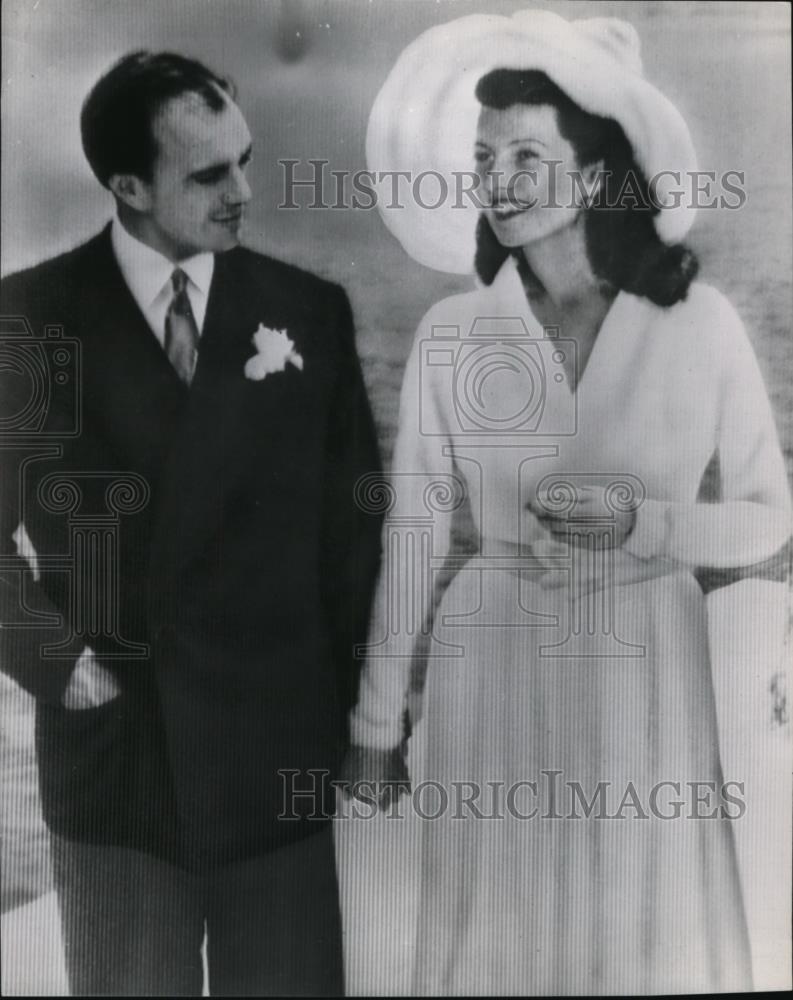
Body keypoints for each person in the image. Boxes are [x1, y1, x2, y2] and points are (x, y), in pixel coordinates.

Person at [343, 10, 792, 995]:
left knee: (644, 934)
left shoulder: (697, 324)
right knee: (490, 944)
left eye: (526, 155)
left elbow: (768, 512)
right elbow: (413, 530)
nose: (496, 181)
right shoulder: (454, 333)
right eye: (481, 156)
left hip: (646, 671)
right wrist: (376, 729)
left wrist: (650, 526)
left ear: (592, 177)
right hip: (487, 664)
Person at [0, 51, 382, 996]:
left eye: (244, 160)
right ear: (126, 184)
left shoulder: (309, 313)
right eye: (209, 173)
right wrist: (57, 665)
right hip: (122, 772)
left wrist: (367, 720)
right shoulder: (27, 321)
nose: (244, 191)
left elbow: (355, 539)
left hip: (279, 768)